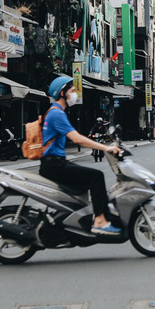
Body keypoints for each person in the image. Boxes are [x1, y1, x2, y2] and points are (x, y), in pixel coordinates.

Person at [40, 75, 122, 236]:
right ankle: (99, 221)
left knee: (86, 182)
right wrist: (106, 148)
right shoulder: (57, 114)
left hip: (55, 163)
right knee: (96, 176)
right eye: (71, 90)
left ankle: (77, 219)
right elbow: (77, 139)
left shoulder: (55, 112)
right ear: (62, 93)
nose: (74, 94)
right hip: (55, 165)